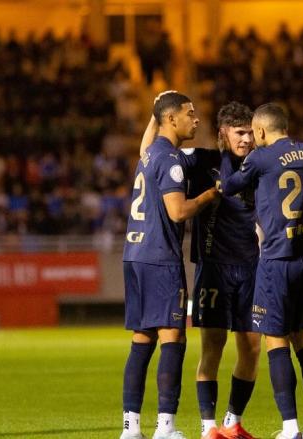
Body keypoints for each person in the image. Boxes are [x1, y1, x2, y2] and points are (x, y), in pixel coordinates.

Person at [221, 103, 303, 439]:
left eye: (253, 132)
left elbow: (230, 186)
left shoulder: (261, 158)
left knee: (276, 340)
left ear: (262, 131)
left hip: (278, 259)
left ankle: (290, 427)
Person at [120, 92, 219, 439]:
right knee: (173, 336)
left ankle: (130, 427)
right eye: (189, 113)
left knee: (141, 338)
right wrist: (210, 195)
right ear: (171, 120)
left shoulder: (149, 155)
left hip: (133, 255)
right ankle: (166, 426)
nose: (196, 119)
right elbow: (178, 211)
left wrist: (153, 112)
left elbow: (149, 137)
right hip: (160, 257)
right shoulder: (172, 160)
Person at [186, 102, 261, 439]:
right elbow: (152, 153)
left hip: (251, 268)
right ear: (223, 134)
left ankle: (233, 421)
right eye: (239, 132)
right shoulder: (203, 161)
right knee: (212, 347)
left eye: (250, 133)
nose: (246, 139)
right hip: (213, 268)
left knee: (252, 347)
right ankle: (208, 427)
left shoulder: (262, 167)